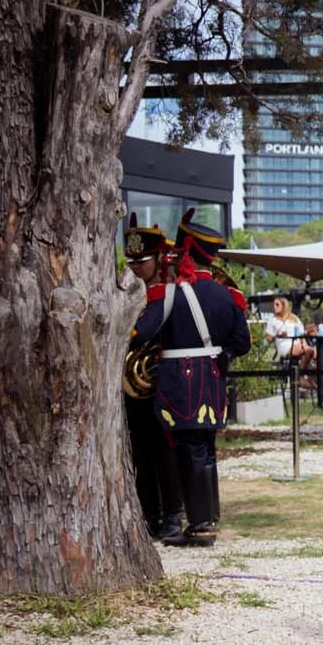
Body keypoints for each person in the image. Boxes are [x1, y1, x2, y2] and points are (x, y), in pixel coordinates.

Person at [133, 212, 250, 547]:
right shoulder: (229, 296)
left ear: (185, 250)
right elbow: (241, 343)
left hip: (179, 382)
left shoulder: (169, 294)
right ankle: (208, 519)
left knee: (189, 450)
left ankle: (199, 525)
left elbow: (140, 335)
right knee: (206, 449)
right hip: (211, 380)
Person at [120, 216, 184, 542]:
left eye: (141, 261)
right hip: (135, 388)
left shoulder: (163, 292)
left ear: (158, 259)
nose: (135, 267)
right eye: (131, 261)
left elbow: (142, 332)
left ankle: (173, 513)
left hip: (162, 382)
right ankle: (149, 513)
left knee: (165, 451)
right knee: (141, 452)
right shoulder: (129, 291)